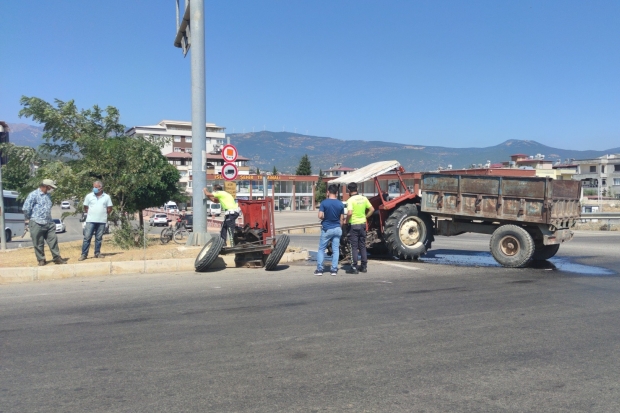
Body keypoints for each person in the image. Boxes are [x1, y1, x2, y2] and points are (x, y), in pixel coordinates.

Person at [22, 179, 67, 266]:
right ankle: (41, 259)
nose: (51, 189)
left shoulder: (48, 196)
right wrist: (31, 218)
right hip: (36, 222)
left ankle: (57, 258)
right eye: (50, 187)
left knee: (53, 240)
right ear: (46, 186)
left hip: (49, 222)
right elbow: (26, 208)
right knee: (38, 242)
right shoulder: (33, 195)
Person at [315, 184, 345, 276]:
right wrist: (340, 227)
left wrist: (324, 218)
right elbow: (342, 219)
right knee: (336, 249)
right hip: (337, 229)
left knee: (321, 249)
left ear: (328, 192)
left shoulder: (324, 203)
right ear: (336, 193)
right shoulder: (340, 204)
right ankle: (334, 269)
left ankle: (320, 269)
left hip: (327, 229)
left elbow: (320, 216)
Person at [79, 180, 113, 261]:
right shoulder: (89, 196)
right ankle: (84, 254)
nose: (94, 189)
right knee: (87, 237)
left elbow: (109, 208)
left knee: (99, 238)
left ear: (101, 188)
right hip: (90, 220)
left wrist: (103, 214)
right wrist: (92, 214)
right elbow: (86, 207)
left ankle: (97, 253)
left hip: (101, 221)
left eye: (96, 187)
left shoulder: (107, 197)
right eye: (94, 187)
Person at [345, 182, 375, 274]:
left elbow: (349, 213)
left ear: (349, 190)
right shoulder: (364, 198)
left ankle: (354, 267)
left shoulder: (350, 200)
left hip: (353, 225)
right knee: (362, 246)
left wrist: (346, 221)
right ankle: (364, 266)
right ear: (357, 189)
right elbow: (372, 209)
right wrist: (366, 216)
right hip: (362, 224)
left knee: (354, 247)